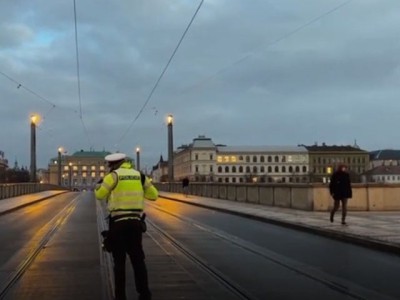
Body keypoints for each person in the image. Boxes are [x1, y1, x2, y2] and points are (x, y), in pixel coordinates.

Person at [95, 153, 158, 300]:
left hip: (118, 223)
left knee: (119, 262)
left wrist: (100, 184)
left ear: (112, 165)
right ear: (125, 162)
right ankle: (144, 294)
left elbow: (99, 195)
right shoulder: (140, 175)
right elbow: (154, 195)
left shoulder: (113, 176)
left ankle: (120, 296)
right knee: (138, 260)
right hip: (135, 223)